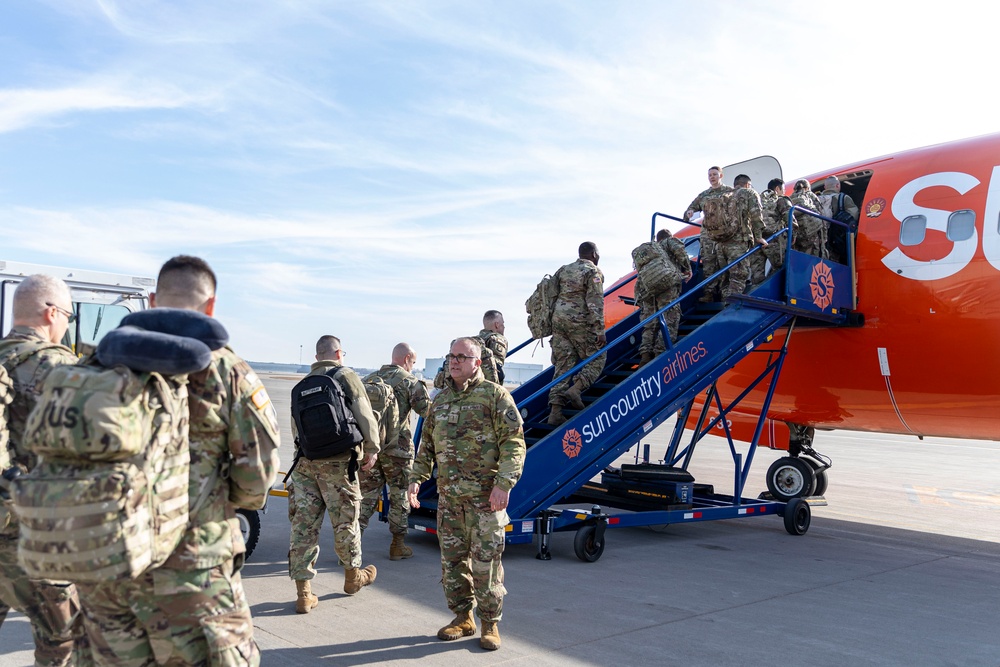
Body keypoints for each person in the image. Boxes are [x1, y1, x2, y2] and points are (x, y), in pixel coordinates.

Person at [77, 255, 281, 666]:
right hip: (194, 569)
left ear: (152, 300)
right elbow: (257, 480)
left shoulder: (96, 365)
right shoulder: (228, 370)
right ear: (210, 307)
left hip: (107, 566)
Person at [407, 336, 525, 651]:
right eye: (451, 356)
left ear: (477, 362)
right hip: (450, 502)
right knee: (452, 563)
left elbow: (514, 442)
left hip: (485, 501)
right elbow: (427, 446)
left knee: (486, 565)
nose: (454, 361)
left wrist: (505, 482)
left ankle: (490, 624)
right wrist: (416, 478)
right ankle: (462, 618)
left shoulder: (495, 396)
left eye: (462, 356)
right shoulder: (441, 400)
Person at [0, 275, 91, 667]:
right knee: (61, 648)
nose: (66, 325)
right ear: (51, 312)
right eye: (67, 315)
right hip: (42, 544)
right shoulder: (65, 369)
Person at [288, 335, 380, 613]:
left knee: (304, 526)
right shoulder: (346, 376)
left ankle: (304, 593)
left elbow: (296, 430)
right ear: (339, 353)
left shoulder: (302, 385)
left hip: (305, 463)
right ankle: (353, 578)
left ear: (317, 357)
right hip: (339, 463)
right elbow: (364, 413)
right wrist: (372, 449)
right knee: (345, 522)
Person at [358, 342, 432, 560]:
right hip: (398, 451)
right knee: (400, 494)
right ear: (407, 358)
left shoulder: (369, 379)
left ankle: (351, 544)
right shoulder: (411, 382)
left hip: (371, 449)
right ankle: (397, 545)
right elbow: (427, 410)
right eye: (414, 362)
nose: (413, 366)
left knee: (366, 496)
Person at [546, 242, 606, 426]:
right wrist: (599, 330)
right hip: (578, 321)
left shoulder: (564, 270)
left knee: (563, 364)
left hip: (558, 321)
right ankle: (577, 388)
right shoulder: (592, 271)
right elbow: (595, 301)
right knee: (598, 356)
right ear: (594, 254)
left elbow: (551, 295)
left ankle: (555, 411)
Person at [637, 230, 693, 365]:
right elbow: (680, 252)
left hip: (646, 288)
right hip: (666, 285)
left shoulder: (650, 252)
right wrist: (687, 268)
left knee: (650, 321)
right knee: (670, 317)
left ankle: (645, 354)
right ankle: (660, 352)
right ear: (669, 237)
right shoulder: (670, 242)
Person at [684, 166, 734, 302]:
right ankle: (709, 293)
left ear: (721, 176)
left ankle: (726, 293)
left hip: (726, 234)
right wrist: (689, 213)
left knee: (725, 263)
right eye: (710, 175)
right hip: (708, 234)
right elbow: (691, 209)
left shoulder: (730, 192)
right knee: (708, 263)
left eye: (714, 174)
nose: (712, 177)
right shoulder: (704, 195)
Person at [733, 174, 769, 288]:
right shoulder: (750, 193)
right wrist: (758, 236)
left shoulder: (725, 195)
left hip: (723, 241)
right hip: (743, 238)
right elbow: (756, 215)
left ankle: (724, 298)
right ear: (748, 184)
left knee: (728, 273)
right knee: (742, 271)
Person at [820, 176, 859, 263]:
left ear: (825, 187)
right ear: (838, 185)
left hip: (822, 240)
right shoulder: (844, 198)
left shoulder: (817, 199)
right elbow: (854, 215)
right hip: (837, 240)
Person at [760, 178, 795, 274]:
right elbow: (790, 218)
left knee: (757, 277)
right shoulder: (781, 200)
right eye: (783, 190)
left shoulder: (759, 200)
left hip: (758, 240)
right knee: (781, 269)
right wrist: (793, 236)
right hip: (775, 240)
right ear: (777, 189)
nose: (784, 192)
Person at [791, 179, 827, 258]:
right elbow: (821, 214)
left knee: (800, 255)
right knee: (814, 255)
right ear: (807, 188)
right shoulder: (810, 195)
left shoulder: (791, 198)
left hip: (798, 233)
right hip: (812, 231)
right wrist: (824, 236)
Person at [477, 311, 508, 384]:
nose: (504, 326)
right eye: (502, 323)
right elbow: (497, 370)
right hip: (488, 388)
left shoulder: (474, 340)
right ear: (496, 325)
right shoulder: (498, 339)